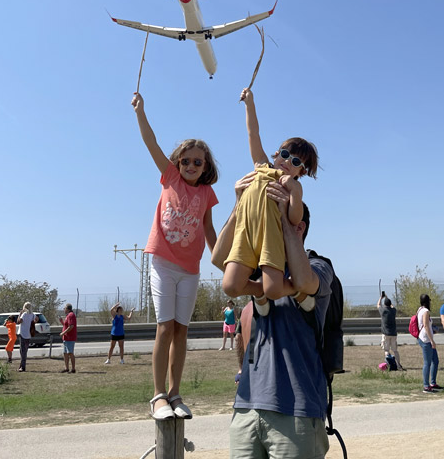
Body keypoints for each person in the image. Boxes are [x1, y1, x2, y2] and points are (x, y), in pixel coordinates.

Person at [212, 173, 333, 458]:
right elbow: (219, 259)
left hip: (297, 410)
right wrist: (239, 205)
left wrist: (284, 223)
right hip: (247, 407)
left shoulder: (320, 266)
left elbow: (304, 282)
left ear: (299, 226)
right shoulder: (264, 268)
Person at [131, 92, 218, 420]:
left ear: (206, 165)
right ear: (177, 163)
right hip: (163, 263)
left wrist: (223, 261)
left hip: (190, 269)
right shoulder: (169, 178)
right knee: (164, 327)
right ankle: (158, 397)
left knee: (182, 330)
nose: (192, 166)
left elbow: (210, 231)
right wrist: (141, 112)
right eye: (186, 161)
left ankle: (175, 393)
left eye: (198, 161)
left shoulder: (207, 193)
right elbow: (151, 141)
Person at [222, 88, 318, 315]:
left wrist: (294, 192)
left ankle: (296, 291)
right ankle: (258, 292)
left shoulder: (293, 186)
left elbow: (295, 219)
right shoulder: (262, 167)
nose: (287, 162)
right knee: (230, 286)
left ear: (300, 172)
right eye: (284, 155)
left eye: (295, 161)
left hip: (271, 238)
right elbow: (253, 134)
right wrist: (250, 104)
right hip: (246, 234)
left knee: (274, 289)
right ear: (276, 154)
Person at [417, 294, 441, 393]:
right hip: (426, 340)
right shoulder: (425, 311)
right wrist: (432, 340)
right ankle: (426, 386)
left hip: (425, 338)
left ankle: (432, 382)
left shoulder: (419, 310)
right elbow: (426, 326)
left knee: (435, 360)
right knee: (428, 362)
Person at [377, 292, 403, 370]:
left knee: (386, 350)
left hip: (386, 333)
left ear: (384, 304)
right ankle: (399, 365)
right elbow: (392, 306)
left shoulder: (383, 310)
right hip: (393, 333)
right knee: (395, 350)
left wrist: (381, 298)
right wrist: (387, 297)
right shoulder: (393, 311)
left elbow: (378, 305)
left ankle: (389, 365)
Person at [17, 302, 39, 372]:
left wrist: (19, 314)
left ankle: (22, 366)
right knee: (24, 350)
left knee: (22, 351)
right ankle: (21, 365)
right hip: (28, 334)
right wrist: (33, 322)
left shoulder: (24, 314)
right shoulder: (32, 315)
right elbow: (37, 319)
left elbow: (19, 321)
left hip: (23, 333)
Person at [59, 303, 77, 373]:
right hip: (66, 338)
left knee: (70, 353)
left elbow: (71, 326)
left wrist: (63, 333)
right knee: (65, 353)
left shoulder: (71, 315)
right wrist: (61, 322)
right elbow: (66, 325)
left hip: (70, 338)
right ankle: (66, 368)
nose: (64, 309)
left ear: (68, 309)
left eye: (64, 308)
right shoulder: (67, 316)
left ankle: (73, 369)